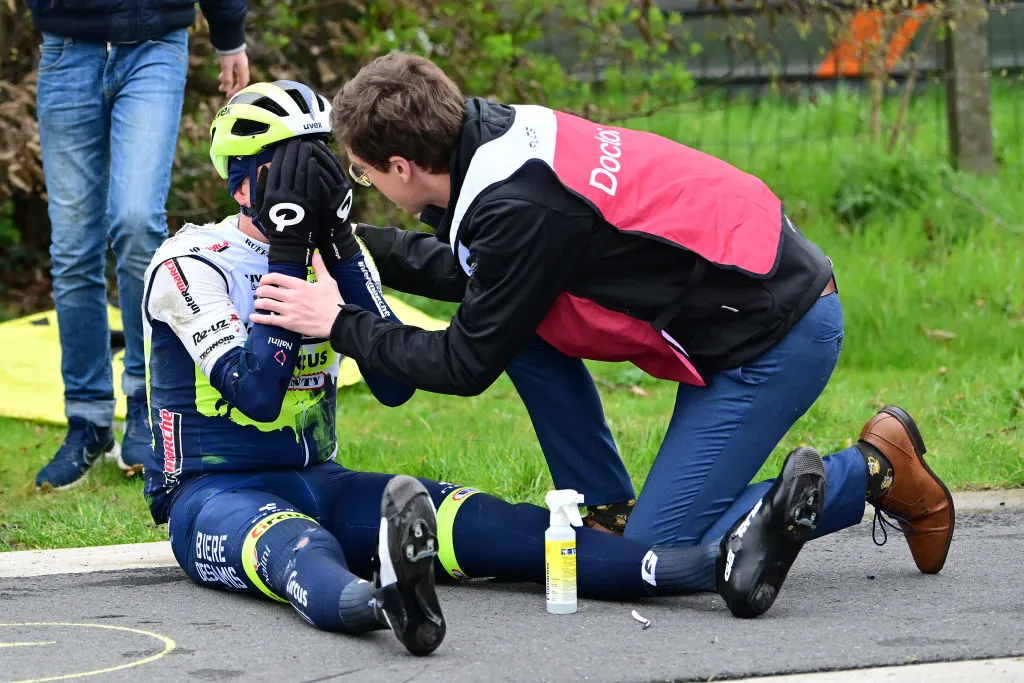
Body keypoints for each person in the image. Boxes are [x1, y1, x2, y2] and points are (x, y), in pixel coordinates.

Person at [140, 81, 832, 657]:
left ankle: (715, 556)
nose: (324, 181)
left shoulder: (492, 209)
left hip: (767, 321)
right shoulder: (189, 264)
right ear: (247, 184)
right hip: (213, 490)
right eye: (302, 168)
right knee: (300, 548)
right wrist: (301, 254)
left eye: (331, 164)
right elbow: (260, 395)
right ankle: (381, 601)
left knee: (515, 530)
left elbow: (398, 380)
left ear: (399, 162)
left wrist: (341, 250)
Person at [250, 53, 955, 576]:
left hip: (775, 336)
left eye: (363, 174)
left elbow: (464, 365)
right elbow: (485, 278)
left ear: (402, 166)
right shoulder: (490, 136)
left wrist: (337, 321)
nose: (363, 184)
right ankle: (603, 502)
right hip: (747, 293)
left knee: (660, 550)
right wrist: (344, 240)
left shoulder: (518, 209)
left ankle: (872, 470)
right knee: (516, 327)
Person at [30, 0, 250, 490]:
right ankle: (86, 422)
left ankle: (144, 406)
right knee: (72, 245)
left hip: (154, 43)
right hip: (67, 46)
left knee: (135, 221)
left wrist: (228, 33)